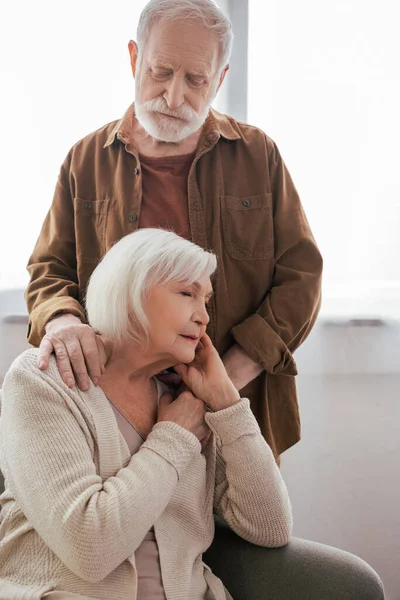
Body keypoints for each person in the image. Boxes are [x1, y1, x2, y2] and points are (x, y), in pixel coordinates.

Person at [25, 0, 323, 462]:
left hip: (234, 410)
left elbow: (302, 277)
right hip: (110, 415)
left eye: (196, 80)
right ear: (133, 58)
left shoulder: (257, 154)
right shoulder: (84, 160)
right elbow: (49, 270)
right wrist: (64, 322)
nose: (173, 97)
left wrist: (220, 384)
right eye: (160, 72)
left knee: (251, 533)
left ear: (220, 80)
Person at [0, 228, 293, 600]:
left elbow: (270, 526)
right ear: (130, 292)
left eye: (206, 300)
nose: (204, 317)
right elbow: (91, 548)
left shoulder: (187, 399)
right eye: (187, 293)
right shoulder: (45, 381)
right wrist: (173, 437)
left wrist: (227, 402)